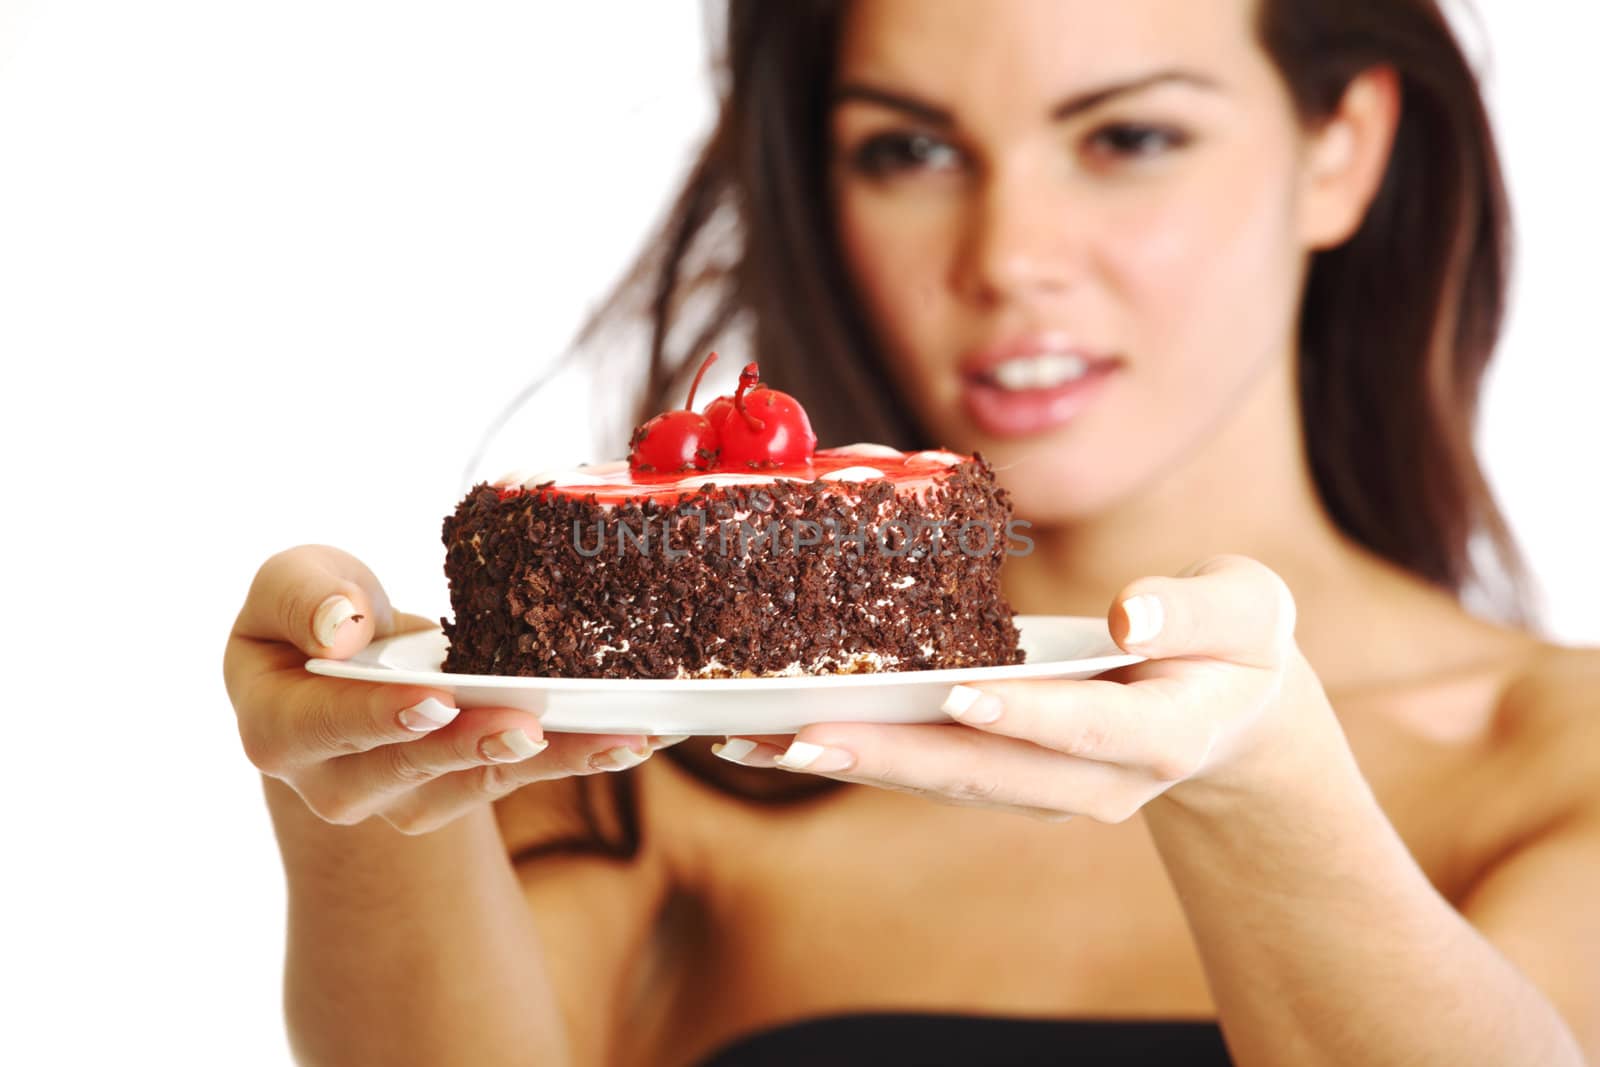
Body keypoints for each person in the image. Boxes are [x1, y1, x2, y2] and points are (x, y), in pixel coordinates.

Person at [222, 1, 1599, 1064]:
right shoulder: (666, 759)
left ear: (1342, 149)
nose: (1006, 253)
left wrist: (1270, 791)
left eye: (1129, 137)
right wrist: (352, 790)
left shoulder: (1560, 762)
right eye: (912, 149)